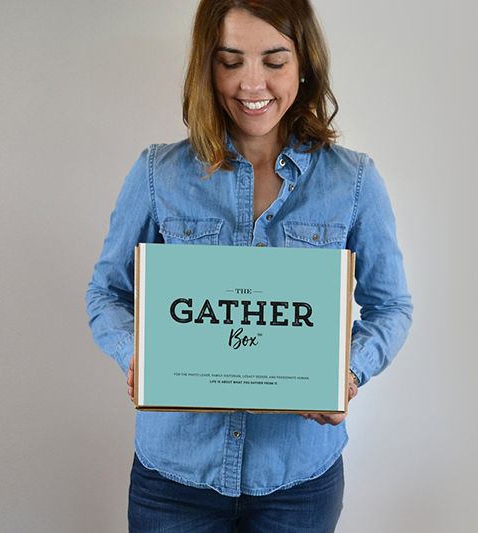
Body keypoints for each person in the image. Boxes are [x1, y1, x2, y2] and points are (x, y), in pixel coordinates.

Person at [85, 1, 413, 531]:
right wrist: (136, 356)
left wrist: (346, 374)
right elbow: (107, 292)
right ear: (206, 66)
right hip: (175, 478)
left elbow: (391, 306)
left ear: (304, 65)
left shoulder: (354, 182)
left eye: (274, 60)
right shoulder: (156, 173)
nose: (251, 83)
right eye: (230, 61)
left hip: (298, 480)